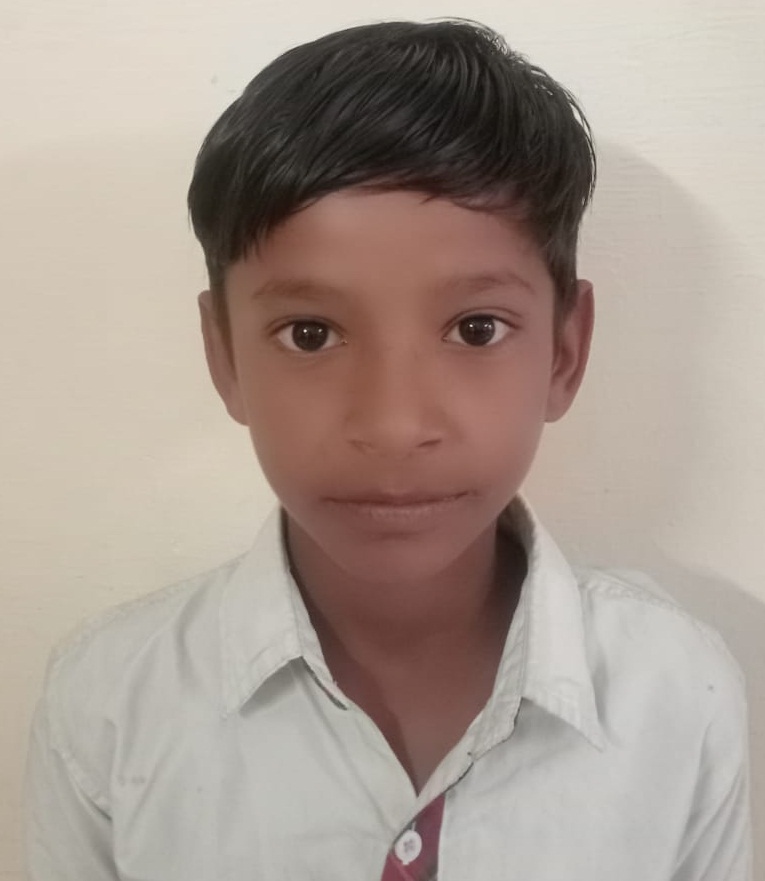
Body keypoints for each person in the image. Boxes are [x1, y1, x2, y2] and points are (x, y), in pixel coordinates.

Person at [24, 19, 752, 881]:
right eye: (309, 333)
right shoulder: (108, 705)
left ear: (563, 352)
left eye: (475, 328)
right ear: (224, 356)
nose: (395, 423)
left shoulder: (676, 692)